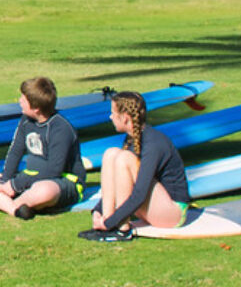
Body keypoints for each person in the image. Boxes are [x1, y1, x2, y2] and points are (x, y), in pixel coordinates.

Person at [80, 91, 191, 242]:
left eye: (113, 113)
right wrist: (98, 212)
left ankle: (122, 229)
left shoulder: (153, 143)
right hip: (156, 205)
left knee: (123, 158)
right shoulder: (133, 137)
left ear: (125, 118)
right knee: (111, 154)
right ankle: (109, 223)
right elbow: (118, 181)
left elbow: (139, 193)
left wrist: (109, 222)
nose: (110, 117)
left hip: (173, 213)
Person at [0, 77, 84, 220]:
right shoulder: (26, 120)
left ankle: (3, 203)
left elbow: (53, 171)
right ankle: (16, 209)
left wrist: (13, 186)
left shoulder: (61, 129)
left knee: (44, 190)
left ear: (36, 108)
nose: (19, 101)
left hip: (60, 181)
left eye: (23, 98)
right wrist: (5, 181)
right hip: (29, 179)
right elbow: (15, 151)